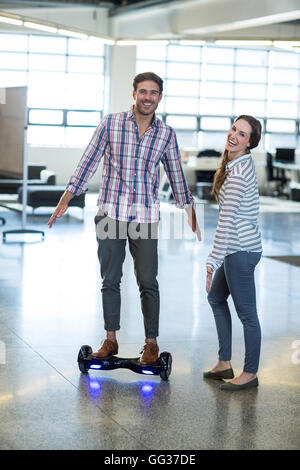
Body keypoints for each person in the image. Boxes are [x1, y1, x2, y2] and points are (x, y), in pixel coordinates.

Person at [48, 72, 198, 365]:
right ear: (134, 93)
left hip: (144, 217)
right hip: (110, 214)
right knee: (110, 279)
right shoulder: (111, 123)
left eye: (153, 93)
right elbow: (88, 160)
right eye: (143, 91)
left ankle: (151, 343)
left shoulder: (166, 134)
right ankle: (110, 339)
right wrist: (67, 197)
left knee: (147, 280)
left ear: (160, 97)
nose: (147, 97)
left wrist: (189, 209)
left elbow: (176, 175)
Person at [204, 115, 262, 390]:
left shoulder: (237, 174)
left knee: (247, 314)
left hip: (240, 249)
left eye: (242, 134)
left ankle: (250, 373)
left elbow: (226, 224)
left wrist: (212, 261)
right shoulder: (237, 162)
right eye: (233, 129)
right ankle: (224, 363)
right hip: (238, 246)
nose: (234, 136)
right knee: (216, 298)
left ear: (250, 143)